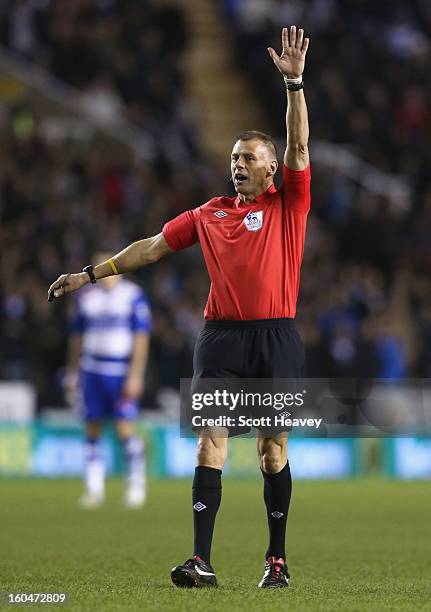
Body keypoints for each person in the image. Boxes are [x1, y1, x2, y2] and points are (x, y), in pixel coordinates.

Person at [48, 26, 310, 588]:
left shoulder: (290, 203)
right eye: (235, 157)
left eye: (251, 159)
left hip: (275, 337)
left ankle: (276, 562)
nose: (239, 165)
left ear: (272, 170)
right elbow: (150, 247)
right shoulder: (209, 213)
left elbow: (301, 147)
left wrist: (293, 85)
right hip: (219, 337)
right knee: (209, 439)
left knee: (271, 450)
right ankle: (202, 561)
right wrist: (91, 275)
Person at [64, 252, 151, 509]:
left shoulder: (133, 296)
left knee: (125, 428)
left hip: (120, 370)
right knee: (92, 427)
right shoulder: (86, 299)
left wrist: (136, 375)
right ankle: (94, 487)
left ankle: (136, 484)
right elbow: (76, 338)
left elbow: (141, 338)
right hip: (92, 369)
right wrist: (73, 370)